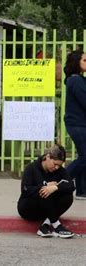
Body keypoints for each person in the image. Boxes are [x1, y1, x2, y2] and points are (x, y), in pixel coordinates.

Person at [17, 144, 75, 238]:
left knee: (67, 196)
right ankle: (57, 226)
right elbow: (25, 190)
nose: (56, 167)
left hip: (47, 210)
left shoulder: (60, 171)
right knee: (44, 191)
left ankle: (45, 225)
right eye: (55, 164)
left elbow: (71, 186)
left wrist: (55, 188)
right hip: (29, 208)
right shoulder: (32, 168)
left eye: (59, 165)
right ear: (47, 157)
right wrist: (45, 186)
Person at [63, 50, 86, 200]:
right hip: (77, 124)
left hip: (80, 124)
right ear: (76, 62)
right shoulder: (76, 80)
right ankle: (60, 181)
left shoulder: (79, 79)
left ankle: (81, 191)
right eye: (85, 60)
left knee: (83, 156)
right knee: (85, 157)